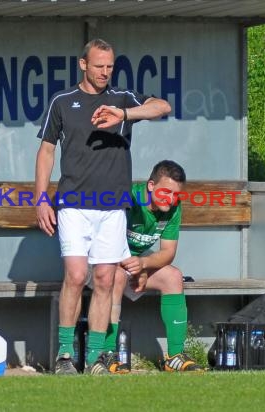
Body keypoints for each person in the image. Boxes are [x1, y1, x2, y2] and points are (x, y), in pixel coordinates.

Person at [35, 38, 171, 374]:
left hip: (112, 206)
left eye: (109, 66)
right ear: (83, 64)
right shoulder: (63, 101)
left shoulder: (122, 99)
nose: (104, 72)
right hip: (74, 203)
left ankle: (96, 357)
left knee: (106, 279)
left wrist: (124, 114)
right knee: (77, 275)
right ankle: (65, 355)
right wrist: (40, 198)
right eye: (98, 66)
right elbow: (47, 151)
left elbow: (162, 107)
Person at [101, 160, 201, 372]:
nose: (171, 199)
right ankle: (108, 355)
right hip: (104, 262)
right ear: (150, 186)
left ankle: (174, 356)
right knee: (117, 276)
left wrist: (144, 265)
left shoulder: (173, 208)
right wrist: (136, 267)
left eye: (176, 195)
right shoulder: (128, 198)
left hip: (135, 263)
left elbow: (168, 253)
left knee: (174, 277)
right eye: (166, 192)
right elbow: (103, 242)